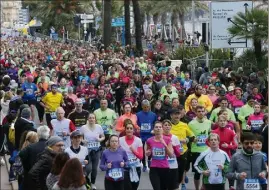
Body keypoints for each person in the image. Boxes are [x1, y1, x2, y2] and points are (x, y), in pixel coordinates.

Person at [170, 108, 195, 190]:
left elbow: (192, 136)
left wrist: (186, 140)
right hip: (171, 152)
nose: (177, 116)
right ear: (171, 116)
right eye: (175, 114)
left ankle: (179, 184)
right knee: (172, 172)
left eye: (178, 114)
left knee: (181, 171)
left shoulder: (184, 125)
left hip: (182, 151)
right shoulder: (168, 125)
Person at [188, 106, 212, 190]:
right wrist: (192, 139)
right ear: (195, 112)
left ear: (205, 112)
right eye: (199, 111)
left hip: (206, 151)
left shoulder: (208, 122)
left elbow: (209, 134)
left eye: (202, 111)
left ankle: (203, 187)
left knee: (207, 172)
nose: (201, 113)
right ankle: (197, 188)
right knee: (197, 173)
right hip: (196, 151)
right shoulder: (191, 124)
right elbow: (189, 136)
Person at [146, 121, 174, 190]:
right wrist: (148, 153)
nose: (158, 128)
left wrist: (164, 144)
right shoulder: (149, 140)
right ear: (153, 129)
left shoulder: (168, 139)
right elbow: (148, 152)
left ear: (162, 129)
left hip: (165, 168)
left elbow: (171, 155)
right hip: (154, 168)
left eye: (160, 127)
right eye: (156, 127)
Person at [80, 113, 105, 190]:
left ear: (95, 119)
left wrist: (99, 139)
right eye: (90, 118)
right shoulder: (83, 127)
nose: (91, 119)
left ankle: (93, 183)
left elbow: (103, 137)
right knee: (88, 168)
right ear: (88, 119)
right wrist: (83, 141)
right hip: (87, 151)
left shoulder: (99, 127)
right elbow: (80, 137)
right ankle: (84, 181)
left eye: (93, 118)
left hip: (96, 150)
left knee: (94, 169)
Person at [119, 119, 143, 190]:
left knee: (134, 187)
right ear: (125, 130)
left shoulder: (138, 140)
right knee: (127, 187)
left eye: (131, 128)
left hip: (136, 167)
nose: (129, 130)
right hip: (125, 168)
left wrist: (133, 150)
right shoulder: (120, 140)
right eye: (127, 128)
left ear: (133, 130)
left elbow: (141, 156)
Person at [162, 119, 182, 190]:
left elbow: (179, 153)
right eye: (165, 125)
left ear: (171, 127)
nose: (167, 127)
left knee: (174, 186)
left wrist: (173, 146)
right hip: (162, 165)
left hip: (173, 165)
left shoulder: (175, 138)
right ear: (162, 127)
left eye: (169, 125)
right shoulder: (160, 137)